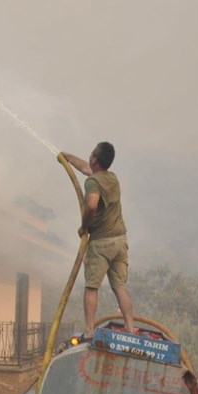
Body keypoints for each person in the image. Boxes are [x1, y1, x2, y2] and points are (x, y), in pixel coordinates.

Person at [60, 142, 136, 341]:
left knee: (92, 287)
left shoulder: (92, 183)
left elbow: (92, 204)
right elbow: (87, 168)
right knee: (119, 287)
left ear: (95, 158)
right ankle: (130, 328)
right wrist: (67, 157)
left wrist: (84, 226)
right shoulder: (112, 178)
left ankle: (90, 331)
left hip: (102, 243)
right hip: (120, 241)